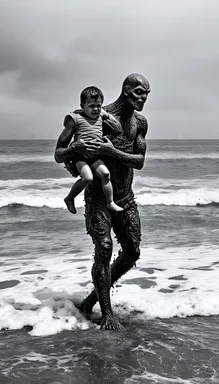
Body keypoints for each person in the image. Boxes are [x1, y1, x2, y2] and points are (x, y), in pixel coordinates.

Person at [55, 74, 150, 330]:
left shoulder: (140, 123)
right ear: (127, 90)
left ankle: (89, 302)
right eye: (139, 92)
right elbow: (62, 153)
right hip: (98, 197)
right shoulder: (97, 115)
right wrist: (76, 160)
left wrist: (111, 152)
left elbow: (139, 161)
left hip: (125, 198)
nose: (143, 98)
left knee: (132, 253)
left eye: (147, 94)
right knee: (105, 248)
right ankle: (108, 315)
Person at [62, 86, 123, 214]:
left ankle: (110, 202)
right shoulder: (76, 117)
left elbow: (112, 120)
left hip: (95, 155)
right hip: (80, 156)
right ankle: (69, 198)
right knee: (88, 178)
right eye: (91, 106)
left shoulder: (101, 114)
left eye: (98, 106)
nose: (95, 109)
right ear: (82, 105)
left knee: (106, 174)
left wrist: (109, 124)